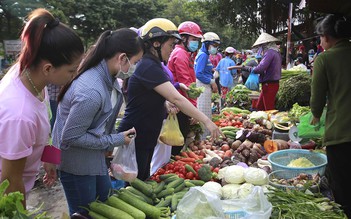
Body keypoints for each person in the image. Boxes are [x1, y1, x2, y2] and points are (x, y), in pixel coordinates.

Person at [52, 28, 143, 216]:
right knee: (85, 213)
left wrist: (109, 141)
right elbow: (70, 136)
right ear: (122, 58)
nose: (135, 68)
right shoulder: (91, 91)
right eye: (135, 62)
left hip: (94, 159)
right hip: (77, 165)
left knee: (105, 203)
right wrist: (115, 140)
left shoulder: (107, 78)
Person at [117, 18, 222, 181]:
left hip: (146, 133)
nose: (173, 49)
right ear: (156, 43)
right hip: (136, 135)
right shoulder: (148, 66)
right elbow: (177, 98)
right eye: (171, 45)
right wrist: (206, 120)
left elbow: (151, 96)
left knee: (142, 179)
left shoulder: (154, 64)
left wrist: (164, 104)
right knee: (135, 186)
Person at [0, 8, 84, 208]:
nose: (73, 77)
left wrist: (49, 158)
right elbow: (11, 183)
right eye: (71, 71)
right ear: (48, 68)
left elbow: (47, 122)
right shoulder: (19, 114)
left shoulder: (33, 78)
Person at [310, 14, 351, 218]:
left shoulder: (325, 58)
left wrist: (316, 115)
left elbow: (317, 96)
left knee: (343, 189)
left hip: (342, 133)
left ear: (326, 37)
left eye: (320, 38)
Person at [167, 21, 203, 156]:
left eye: (197, 40)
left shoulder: (184, 53)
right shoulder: (180, 54)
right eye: (194, 39)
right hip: (180, 103)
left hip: (180, 101)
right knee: (177, 143)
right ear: (183, 38)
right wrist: (193, 110)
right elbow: (186, 84)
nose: (196, 43)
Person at [242, 32, 282, 111]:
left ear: (266, 44)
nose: (261, 48)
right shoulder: (276, 52)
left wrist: (247, 68)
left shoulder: (269, 53)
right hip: (271, 84)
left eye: (261, 46)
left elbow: (260, 69)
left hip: (269, 84)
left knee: (269, 110)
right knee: (260, 108)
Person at [194, 32, 220, 140]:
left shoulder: (204, 54)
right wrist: (212, 82)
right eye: (214, 45)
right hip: (203, 86)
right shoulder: (203, 55)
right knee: (204, 114)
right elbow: (198, 73)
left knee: (205, 113)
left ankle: (204, 138)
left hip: (205, 85)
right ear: (207, 44)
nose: (215, 48)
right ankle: (203, 140)